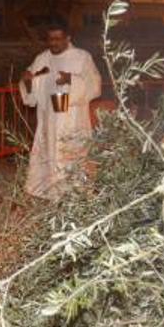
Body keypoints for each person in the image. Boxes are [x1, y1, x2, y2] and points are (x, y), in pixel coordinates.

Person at [19, 17, 103, 199]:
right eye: (51, 39)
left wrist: (71, 79)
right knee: (50, 161)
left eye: (58, 39)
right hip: (49, 121)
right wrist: (27, 82)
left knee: (72, 163)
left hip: (72, 121)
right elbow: (31, 97)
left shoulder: (82, 57)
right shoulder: (42, 59)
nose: (54, 43)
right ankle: (51, 198)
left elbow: (95, 86)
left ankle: (76, 199)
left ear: (68, 38)